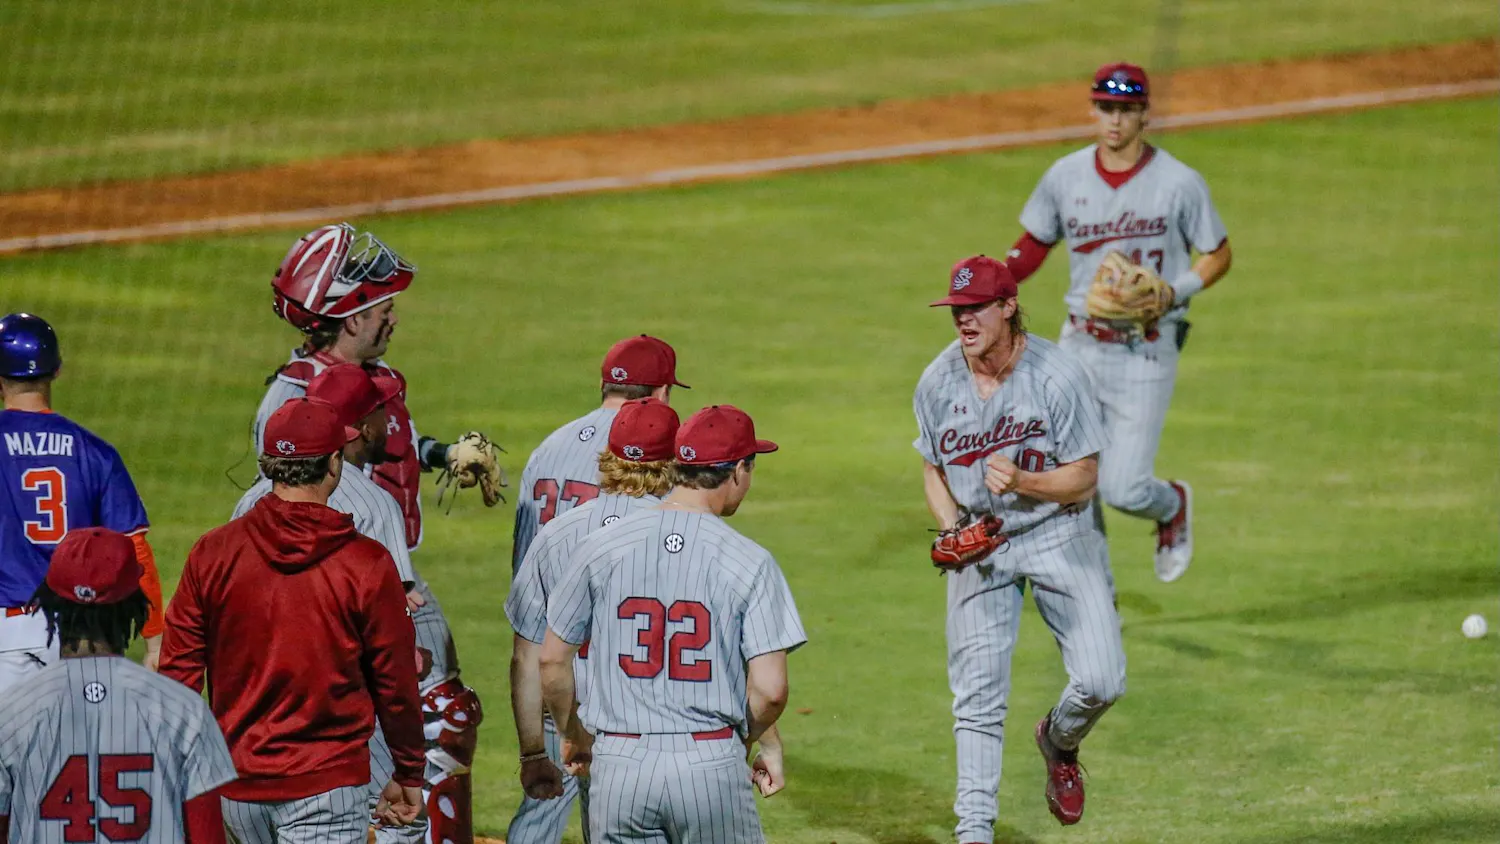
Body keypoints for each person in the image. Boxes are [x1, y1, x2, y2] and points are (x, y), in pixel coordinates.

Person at [254, 223, 491, 841]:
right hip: (350, 588)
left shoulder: (366, 376)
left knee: (434, 719)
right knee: (430, 720)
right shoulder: (293, 395)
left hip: (387, 566)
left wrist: (440, 454)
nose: (393, 318)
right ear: (350, 318)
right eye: (382, 308)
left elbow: (386, 444)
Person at [915, 256, 1125, 835]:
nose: (963, 320)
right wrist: (952, 524)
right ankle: (974, 832)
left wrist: (1026, 482)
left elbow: (1084, 476)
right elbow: (932, 467)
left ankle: (1058, 741)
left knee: (1103, 680)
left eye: (976, 308)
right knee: (977, 702)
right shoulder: (936, 381)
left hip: (1060, 531)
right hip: (982, 549)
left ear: (1009, 306)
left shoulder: (1059, 375)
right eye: (957, 310)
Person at [1002, 62, 1233, 582]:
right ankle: (1096, 591)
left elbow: (1217, 253)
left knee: (1123, 487)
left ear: (1144, 115)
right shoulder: (1065, 176)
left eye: (1126, 111)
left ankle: (1170, 504)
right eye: (1106, 108)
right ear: (1093, 110)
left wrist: (1177, 290)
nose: (1114, 120)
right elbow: (1034, 244)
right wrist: (996, 282)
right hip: (1078, 345)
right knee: (1072, 477)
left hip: (1147, 348)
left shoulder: (1178, 183)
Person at [160, 397, 426, 842]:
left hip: (235, 788)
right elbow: (395, 682)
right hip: (327, 785)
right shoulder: (365, 563)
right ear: (334, 463)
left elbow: (178, 672)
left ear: (270, 464)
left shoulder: (214, 552)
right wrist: (409, 768)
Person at [541, 404, 803, 844]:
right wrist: (751, 741)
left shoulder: (600, 547)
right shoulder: (749, 561)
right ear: (738, 470)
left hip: (619, 767)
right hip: (709, 766)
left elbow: (551, 661)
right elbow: (770, 690)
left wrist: (575, 733)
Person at [233, 364, 431, 842]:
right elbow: (392, 641)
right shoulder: (374, 504)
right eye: (382, 410)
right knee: (402, 825)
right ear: (359, 430)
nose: (391, 421)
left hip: (248, 733)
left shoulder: (246, 507)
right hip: (340, 726)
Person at [506, 334, 688, 844]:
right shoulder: (659, 456)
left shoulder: (549, 449)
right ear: (661, 393)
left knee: (541, 803)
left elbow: (526, 576)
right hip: (627, 674)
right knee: (623, 817)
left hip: (549, 656)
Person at [0, 527, 237, 842]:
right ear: (133, 604)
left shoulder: (11, 711)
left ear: (52, 602)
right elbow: (207, 836)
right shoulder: (184, 710)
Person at [0, 312, 165, 693]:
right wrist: (155, 641)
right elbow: (135, 550)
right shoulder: (95, 452)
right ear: (55, 370)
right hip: (80, 641)